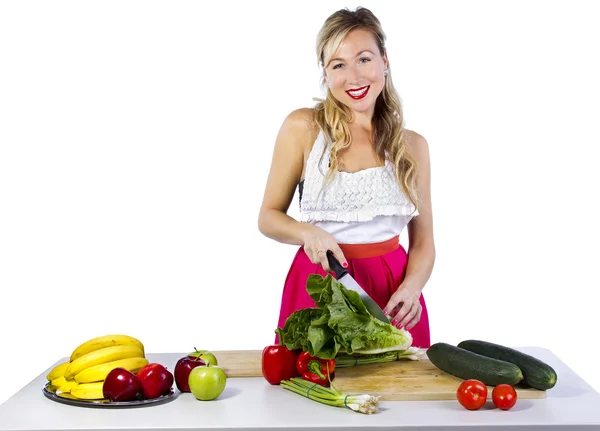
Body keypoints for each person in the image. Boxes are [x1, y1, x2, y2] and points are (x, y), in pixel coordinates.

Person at [257, 6, 435, 348]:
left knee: (402, 394)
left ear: (385, 60)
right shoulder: (304, 127)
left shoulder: (414, 146)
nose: (353, 77)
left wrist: (411, 289)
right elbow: (268, 218)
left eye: (364, 59)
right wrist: (307, 232)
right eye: (338, 64)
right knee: (316, 392)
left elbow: (424, 243)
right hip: (323, 284)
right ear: (325, 73)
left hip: (394, 294)